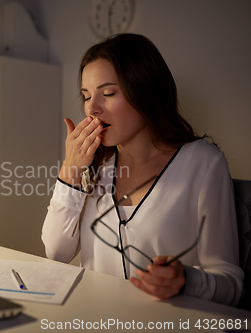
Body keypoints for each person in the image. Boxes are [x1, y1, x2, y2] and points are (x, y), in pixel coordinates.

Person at [41, 33, 243, 305]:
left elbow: (231, 284)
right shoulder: (95, 165)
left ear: (146, 91)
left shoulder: (204, 163)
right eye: (87, 96)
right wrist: (71, 169)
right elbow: (56, 252)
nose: (92, 108)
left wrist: (186, 280)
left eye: (108, 93)